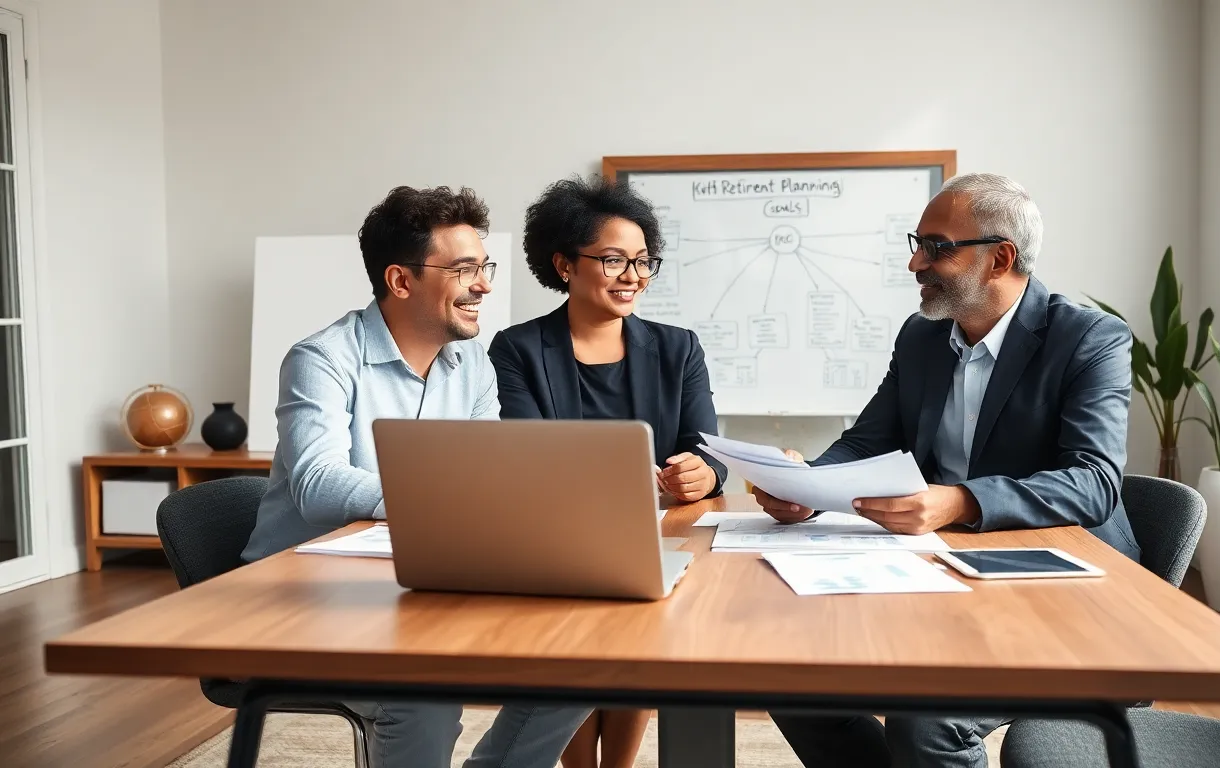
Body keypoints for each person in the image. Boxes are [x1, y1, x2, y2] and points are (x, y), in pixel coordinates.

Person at [757, 172, 1142, 768]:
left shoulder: (1089, 338)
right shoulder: (922, 336)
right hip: (938, 569)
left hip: (1061, 585)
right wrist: (808, 485)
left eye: (937, 248)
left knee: (928, 721)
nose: (916, 263)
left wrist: (960, 500)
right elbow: (868, 440)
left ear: (1000, 259)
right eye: (918, 244)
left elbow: (1094, 482)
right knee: (790, 672)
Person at [240, 185, 591, 768]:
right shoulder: (321, 359)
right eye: (464, 270)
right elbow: (317, 483)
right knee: (421, 690)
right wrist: (439, 503)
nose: (484, 285)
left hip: (418, 582)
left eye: (484, 268)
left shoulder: (472, 363)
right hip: (301, 597)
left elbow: (484, 478)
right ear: (401, 281)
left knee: (584, 653)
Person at [487, 175, 727, 768]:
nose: (634, 276)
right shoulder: (517, 349)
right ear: (564, 264)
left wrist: (704, 473)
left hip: (658, 536)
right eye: (614, 260)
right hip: (562, 539)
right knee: (578, 634)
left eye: (644, 261)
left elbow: (710, 448)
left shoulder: (678, 348)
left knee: (642, 627)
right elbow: (527, 455)